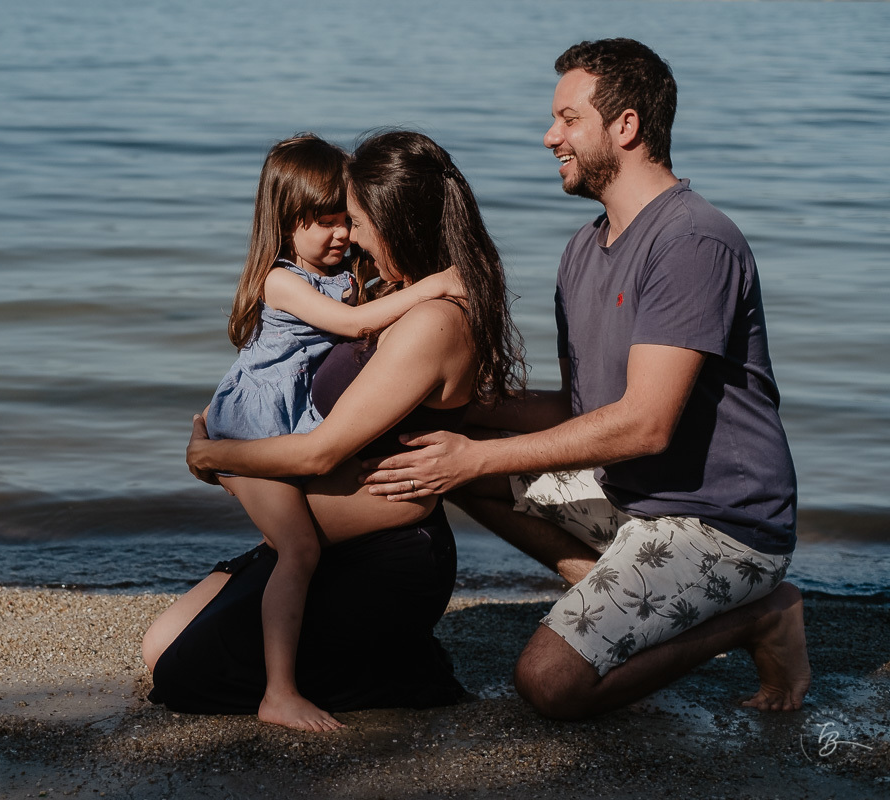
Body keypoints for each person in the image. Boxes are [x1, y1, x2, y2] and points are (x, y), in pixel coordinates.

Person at [359, 38, 811, 720]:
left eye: (568, 119)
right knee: (439, 452)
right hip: (632, 498)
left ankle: (762, 619)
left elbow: (643, 423)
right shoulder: (581, 250)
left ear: (625, 126)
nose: (550, 136)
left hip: (720, 524)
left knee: (549, 684)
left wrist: (478, 453)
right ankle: (608, 591)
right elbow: (580, 409)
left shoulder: (692, 241)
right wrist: (459, 417)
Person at [144, 130, 525, 725]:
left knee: (186, 677)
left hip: (380, 555)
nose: (348, 234)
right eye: (335, 219)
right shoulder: (376, 294)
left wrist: (213, 456)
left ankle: (392, 666)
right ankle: (376, 652)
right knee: (160, 646)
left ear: (393, 219)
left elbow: (321, 454)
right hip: (323, 541)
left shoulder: (428, 318)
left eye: (353, 218)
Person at [199, 133, 463, 731]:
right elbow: (352, 322)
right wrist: (436, 285)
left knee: (292, 544)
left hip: (283, 434)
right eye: (323, 223)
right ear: (284, 224)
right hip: (251, 429)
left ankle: (288, 662)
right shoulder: (283, 281)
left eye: (347, 221)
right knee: (299, 548)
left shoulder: (342, 273)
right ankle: (280, 692)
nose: (342, 235)